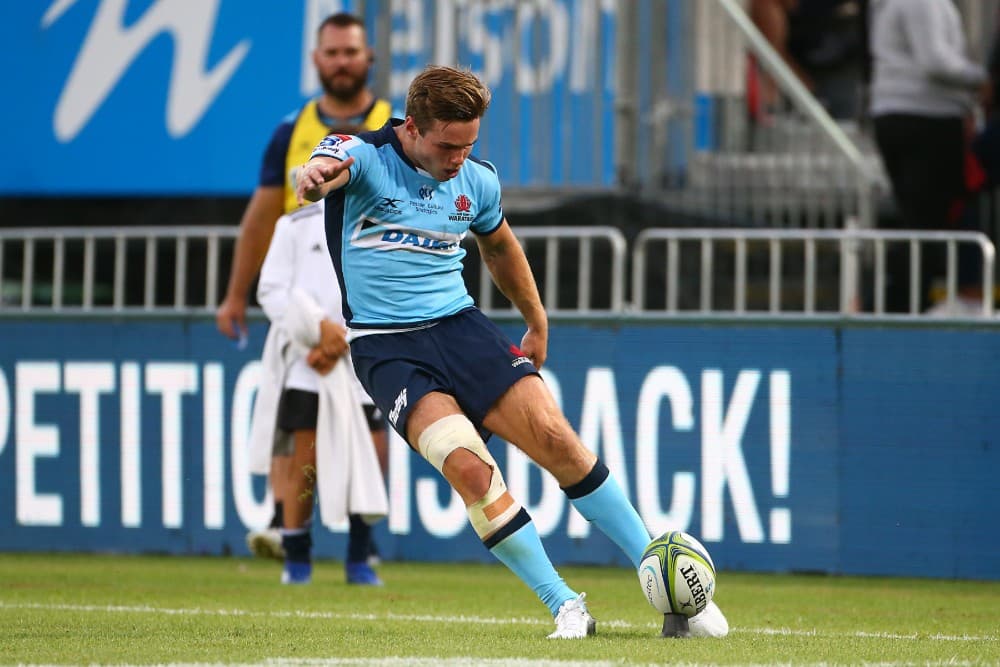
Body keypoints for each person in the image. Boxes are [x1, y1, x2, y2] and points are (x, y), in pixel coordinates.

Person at [293, 65, 730, 639]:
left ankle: (670, 580)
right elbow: (324, 166)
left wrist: (536, 318)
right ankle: (565, 604)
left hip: (461, 329)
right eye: (448, 145)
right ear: (414, 128)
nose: (458, 159)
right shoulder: (366, 155)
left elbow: (499, 246)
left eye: (469, 144)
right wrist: (315, 176)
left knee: (558, 440)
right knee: (470, 468)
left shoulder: (476, 180)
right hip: (386, 347)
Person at [216, 12, 393, 557]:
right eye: (332, 52)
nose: (342, 61)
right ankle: (284, 519)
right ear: (316, 60)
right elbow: (264, 213)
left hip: (370, 296)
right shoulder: (290, 132)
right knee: (291, 411)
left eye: (351, 52)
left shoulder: (396, 125)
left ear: (368, 59)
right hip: (304, 293)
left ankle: (362, 530)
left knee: (371, 420)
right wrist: (235, 292)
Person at [247, 198, 388, 585]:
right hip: (307, 361)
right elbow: (272, 291)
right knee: (303, 462)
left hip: (362, 356)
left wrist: (344, 338)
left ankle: (360, 556)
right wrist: (313, 333)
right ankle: (297, 559)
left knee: (373, 455)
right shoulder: (295, 224)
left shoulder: (381, 217)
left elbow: (389, 283)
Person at [867, 0, 991, 313]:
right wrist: (983, 79)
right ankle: (895, 309)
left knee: (922, 220)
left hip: (897, 115)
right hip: (926, 117)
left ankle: (900, 305)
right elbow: (935, 61)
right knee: (931, 223)